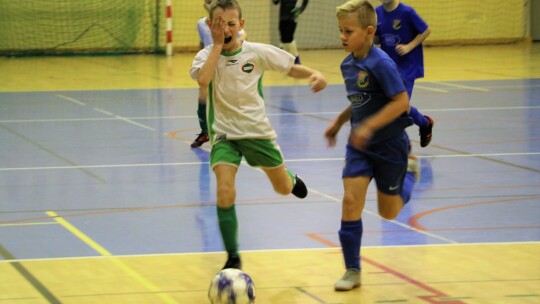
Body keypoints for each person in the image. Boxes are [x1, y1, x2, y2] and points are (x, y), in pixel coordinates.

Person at [190, 0, 327, 270]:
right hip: (224, 137)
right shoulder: (206, 56)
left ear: (241, 25)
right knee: (224, 190)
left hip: (258, 134)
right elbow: (203, 81)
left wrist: (314, 73)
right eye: (219, 23)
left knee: (281, 188)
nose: (226, 28)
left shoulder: (257, 52)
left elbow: (290, 67)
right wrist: (217, 46)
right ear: (210, 25)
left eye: (231, 23)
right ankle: (233, 257)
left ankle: (290, 179)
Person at [324, 0, 418, 291]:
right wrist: (340, 122)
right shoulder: (347, 64)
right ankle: (352, 270)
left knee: (389, 213)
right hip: (359, 147)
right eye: (340, 30)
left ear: (368, 31)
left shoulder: (382, 63)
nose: (342, 36)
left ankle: (411, 175)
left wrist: (370, 126)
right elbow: (358, 100)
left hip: (389, 147)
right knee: (350, 201)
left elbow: (402, 102)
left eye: (348, 31)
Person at [374, 0, 434, 147]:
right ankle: (425, 123)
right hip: (388, 68)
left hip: (407, 67)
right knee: (392, 107)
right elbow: (376, 38)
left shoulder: (407, 12)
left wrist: (409, 47)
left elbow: (426, 30)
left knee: (399, 107)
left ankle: (404, 146)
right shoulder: (377, 13)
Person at [191, 0, 248, 148]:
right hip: (211, 61)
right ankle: (205, 132)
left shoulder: (231, 22)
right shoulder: (201, 23)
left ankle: (236, 130)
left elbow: (243, 35)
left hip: (227, 62)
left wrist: (238, 43)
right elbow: (203, 41)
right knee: (203, 96)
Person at [272, 0, 309, 64]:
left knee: (289, 37)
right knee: (283, 38)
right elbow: (276, 2)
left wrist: (301, 8)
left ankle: (296, 58)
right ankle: (283, 59)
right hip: (282, 16)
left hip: (293, 16)